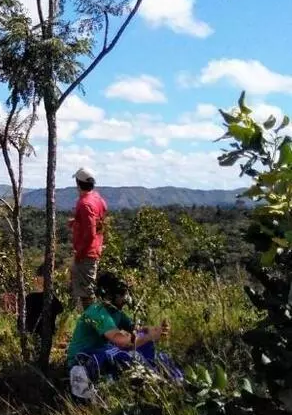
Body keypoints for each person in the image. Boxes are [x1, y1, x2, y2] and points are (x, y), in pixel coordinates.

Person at [67, 272, 182, 401]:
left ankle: (174, 381)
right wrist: (149, 336)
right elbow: (122, 341)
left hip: (102, 353)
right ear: (109, 295)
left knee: (147, 346)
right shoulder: (98, 312)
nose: (125, 298)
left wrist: (154, 330)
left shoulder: (116, 313)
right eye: (121, 294)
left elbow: (137, 330)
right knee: (125, 353)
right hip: (84, 358)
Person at [69, 167, 108, 309]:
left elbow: (90, 232)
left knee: (86, 294)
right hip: (94, 249)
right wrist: (77, 223)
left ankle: (92, 319)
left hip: (87, 253)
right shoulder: (97, 199)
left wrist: (80, 253)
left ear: (78, 183)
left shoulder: (85, 203)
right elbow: (99, 217)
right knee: (86, 290)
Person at [24, 264, 63, 337]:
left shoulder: (29, 297)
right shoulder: (51, 297)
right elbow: (60, 309)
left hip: (32, 333)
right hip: (46, 333)